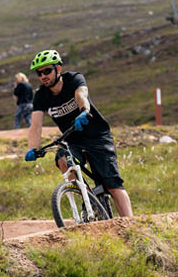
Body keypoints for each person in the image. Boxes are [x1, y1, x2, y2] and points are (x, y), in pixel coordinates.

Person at [24, 50, 133, 217]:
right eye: (39, 73)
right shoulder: (41, 95)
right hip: (72, 139)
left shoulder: (74, 79)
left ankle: (130, 224)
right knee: (62, 159)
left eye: (47, 71)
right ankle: (88, 198)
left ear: (58, 69)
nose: (43, 75)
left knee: (112, 184)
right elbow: (36, 124)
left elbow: (81, 94)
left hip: (97, 136)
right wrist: (32, 148)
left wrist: (84, 111)